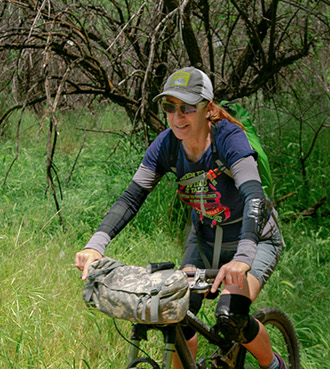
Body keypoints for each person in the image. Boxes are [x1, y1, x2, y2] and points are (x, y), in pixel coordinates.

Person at [74, 67, 288, 369]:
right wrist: (96, 244)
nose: (177, 116)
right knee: (177, 313)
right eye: (170, 107)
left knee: (231, 316)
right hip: (204, 238)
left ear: (208, 108)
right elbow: (131, 197)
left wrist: (242, 258)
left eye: (187, 107)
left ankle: (275, 365)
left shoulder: (229, 138)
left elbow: (254, 195)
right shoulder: (166, 145)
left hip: (254, 237)